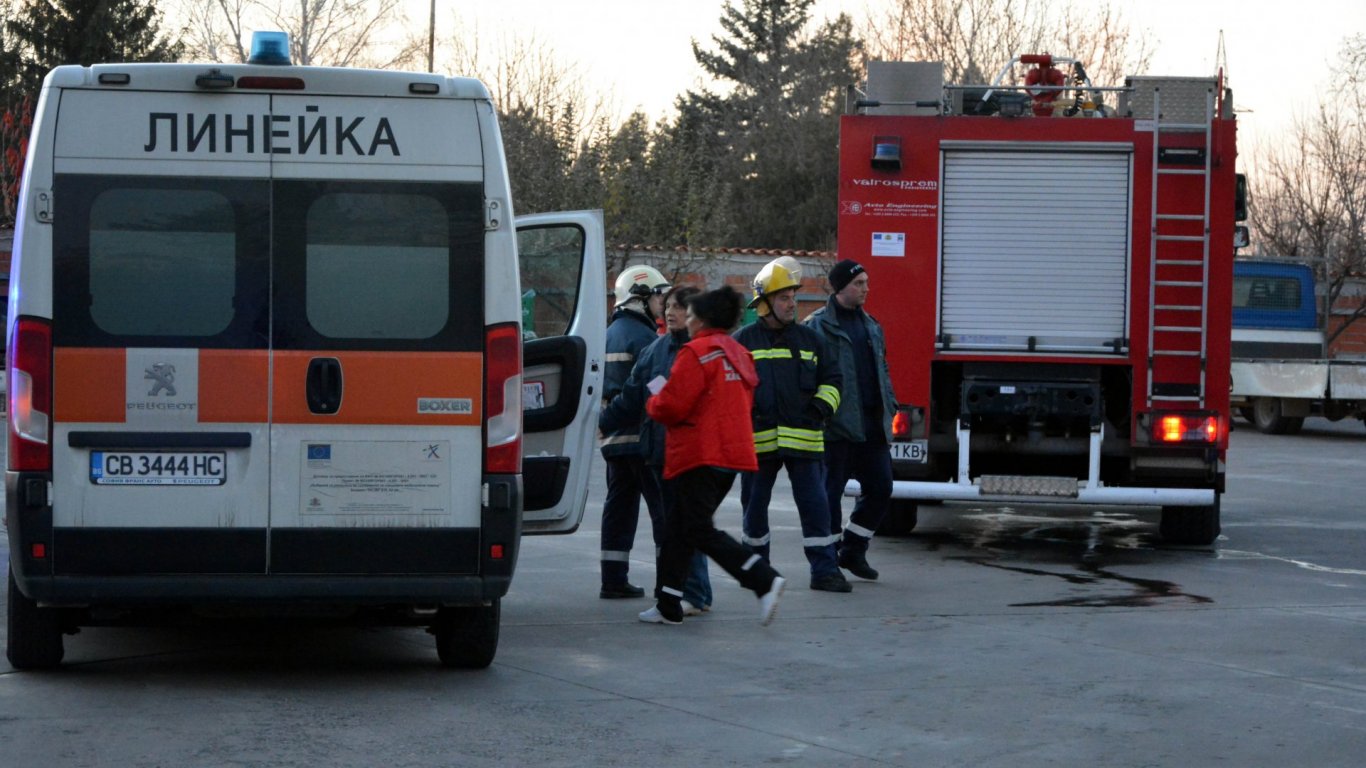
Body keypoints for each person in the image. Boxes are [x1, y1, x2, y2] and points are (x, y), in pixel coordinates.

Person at [640, 286, 785, 625]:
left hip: (697, 454)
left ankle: (763, 579)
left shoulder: (696, 353)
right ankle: (668, 604)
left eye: (689, 315)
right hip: (731, 456)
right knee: (679, 528)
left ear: (702, 320)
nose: (685, 321)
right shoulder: (738, 353)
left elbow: (671, 405)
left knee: (698, 529)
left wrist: (652, 402)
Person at [733, 257, 851, 593]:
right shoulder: (743, 342)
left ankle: (825, 570)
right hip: (758, 445)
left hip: (805, 442)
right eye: (784, 298)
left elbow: (834, 379)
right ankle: (756, 571)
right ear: (765, 303)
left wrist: (820, 408)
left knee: (816, 509)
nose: (792, 304)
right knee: (754, 511)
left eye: (793, 297)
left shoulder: (810, 340)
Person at [599, 284, 714, 614]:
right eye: (668, 306)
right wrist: (605, 421)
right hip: (659, 452)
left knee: (683, 525)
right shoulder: (655, 350)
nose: (670, 312)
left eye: (678, 307)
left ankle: (691, 593)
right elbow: (635, 394)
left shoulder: (703, 349)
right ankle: (685, 594)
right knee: (676, 526)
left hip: (693, 452)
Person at [805, 259, 898, 581]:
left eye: (866, 283)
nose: (865, 289)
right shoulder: (816, 326)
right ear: (839, 286)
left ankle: (853, 550)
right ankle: (827, 564)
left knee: (882, 488)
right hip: (836, 429)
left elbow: (881, 371)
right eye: (859, 283)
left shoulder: (871, 324)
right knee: (828, 499)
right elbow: (808, 379)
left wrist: (891, 405)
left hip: (871, 425)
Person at [598, 264, 671, 599]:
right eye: (657, 296)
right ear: (639, 299)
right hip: (643, 440)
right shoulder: (644, 338)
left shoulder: (607, 334)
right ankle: (667, 585)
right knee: (662, 512)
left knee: (619, 510)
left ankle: (613, 580)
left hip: (615, 443)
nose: (662, 304)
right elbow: (653, 387)